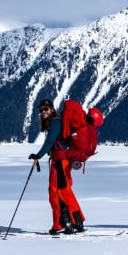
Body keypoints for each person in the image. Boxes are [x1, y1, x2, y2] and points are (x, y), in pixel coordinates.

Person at [28, 98, 85, 235]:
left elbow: (49, 142)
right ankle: (76, 221)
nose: (43, 112)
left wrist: (38, 155)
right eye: (41, 110)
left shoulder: (55, 123)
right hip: (62, 162)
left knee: (57, 193)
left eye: (46, 109)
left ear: (52, 109)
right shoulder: (58, 122)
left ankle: (64, 223)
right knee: (64, 191)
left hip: (60, 163)